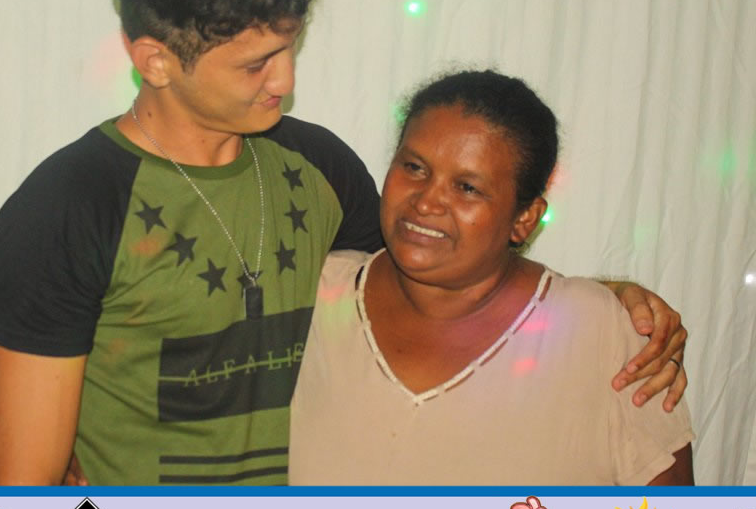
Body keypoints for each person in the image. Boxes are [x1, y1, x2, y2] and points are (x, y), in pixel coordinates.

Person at [0, 0, 687, 486]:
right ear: (156, 61)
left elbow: (432, 278)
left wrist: (608, 305)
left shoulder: (317, 166)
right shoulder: (67, 208)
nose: (285, 80)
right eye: (255, 64)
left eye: (289, 46)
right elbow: (18, 502)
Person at [289, 70, 694, 485]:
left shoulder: (601, 332)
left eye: (467, 187)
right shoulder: (312, 297)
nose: (426, 201)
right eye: (414, 167)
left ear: (525, 219)